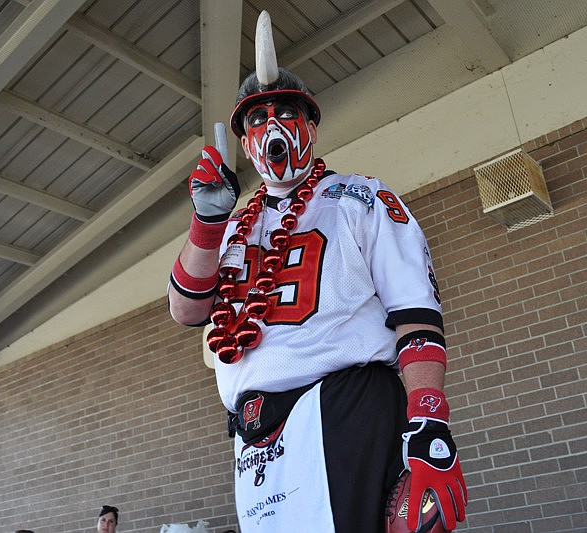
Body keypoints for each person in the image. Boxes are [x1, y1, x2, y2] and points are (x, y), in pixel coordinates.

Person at [168, 10, 467, 533]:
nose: (272, 128)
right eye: (256, 120)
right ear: (242, 142)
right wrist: (206, 223)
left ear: (310, 124)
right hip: (254, 436)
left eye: (286, 111)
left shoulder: (360, 199)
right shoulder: (235, 225)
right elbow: (186, 311)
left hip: (341, 407)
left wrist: (428, 421)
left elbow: (417, 316)